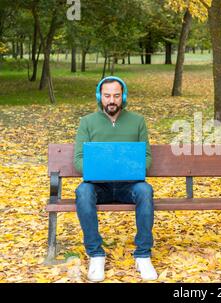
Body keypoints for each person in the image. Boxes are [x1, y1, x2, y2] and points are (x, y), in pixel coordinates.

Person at [73, 76, 157, 282]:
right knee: (82, 191)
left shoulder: (137, 121)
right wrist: (98, 171)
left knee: (145, 190)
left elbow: (146, 157)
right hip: (98, 186)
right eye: (107, 95)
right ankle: (96, 254)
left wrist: (132, 169)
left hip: (128, 186)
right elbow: (78, 159)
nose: (112, 100)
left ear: (123, 97)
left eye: (116, 95)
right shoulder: (87, 122)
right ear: (99, 96)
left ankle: (143, 254)